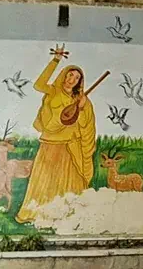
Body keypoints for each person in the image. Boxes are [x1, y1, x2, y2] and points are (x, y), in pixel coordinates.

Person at [18, 44, 97, 222]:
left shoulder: (80, 100)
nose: (72, 79)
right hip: (50, 144)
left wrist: (83, 109)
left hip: (71, 146)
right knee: (45, 180)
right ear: (64, 75)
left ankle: (68, 215)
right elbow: (38, 85)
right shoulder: (53, 91)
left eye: (77, 78)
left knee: (71, 182)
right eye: (70, 74)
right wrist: (55, 60)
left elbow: (86, 124)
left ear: (79, 82)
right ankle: (38, 214)